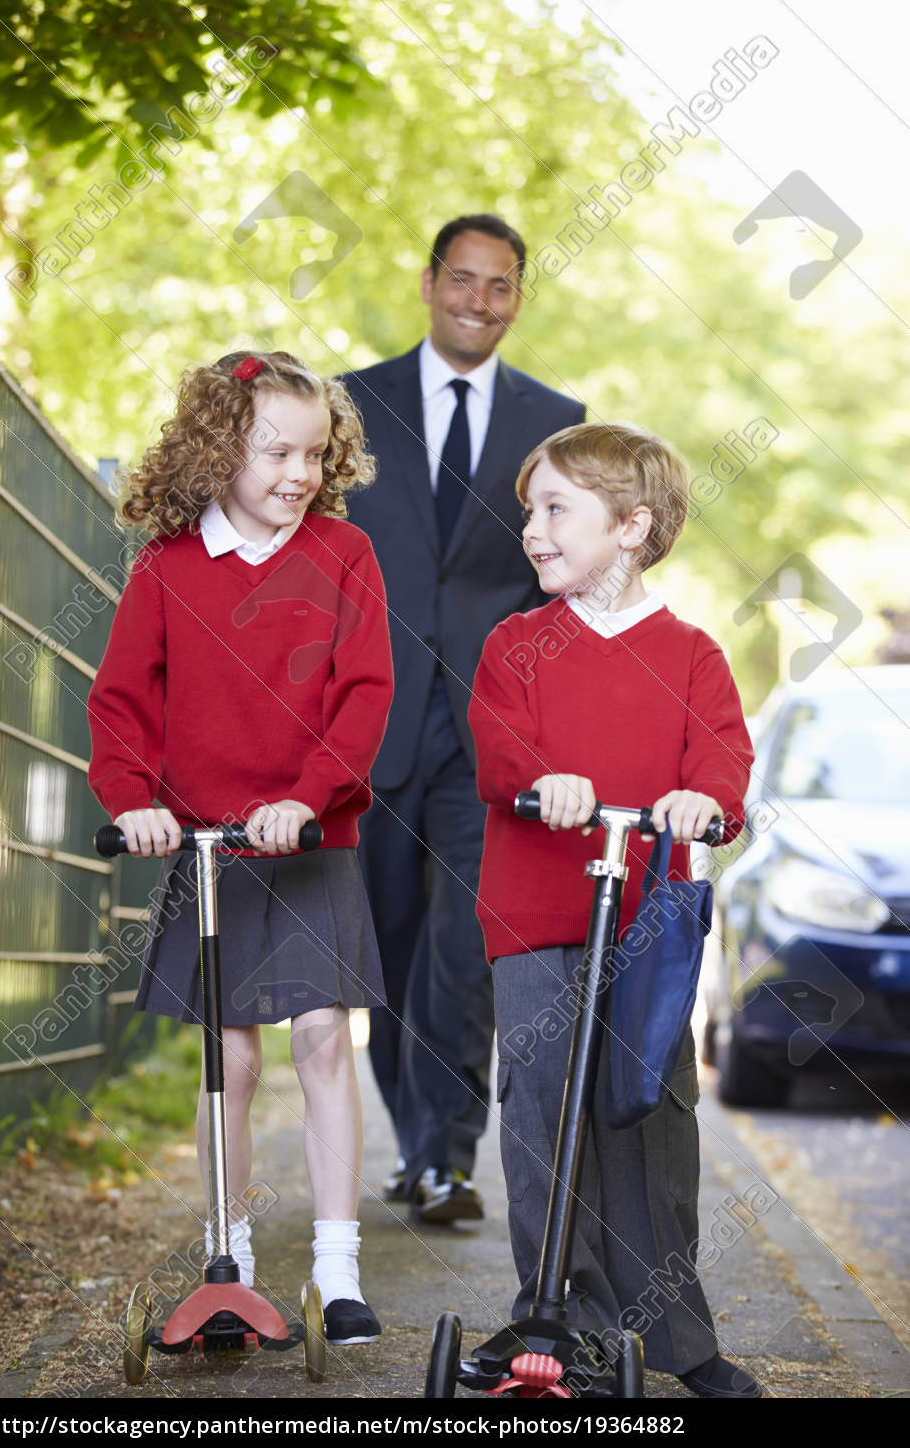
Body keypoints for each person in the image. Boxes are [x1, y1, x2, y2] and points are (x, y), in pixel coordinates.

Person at [87, 351, 394, 1346]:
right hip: (212, 850)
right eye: (276, 452)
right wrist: (134, 800)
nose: (299, 474)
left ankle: (339, 1270)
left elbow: (362, 693)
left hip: (307, 841)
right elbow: (124, 700)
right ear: (220, 449)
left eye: (315, 453)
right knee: (229, 1059)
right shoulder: (169, 566)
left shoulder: (345, 555)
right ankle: (232, 1261)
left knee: (318, 1042)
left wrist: (308, 797)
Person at [468, 422, 760, 1397]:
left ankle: (674, 1336)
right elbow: (501, 745)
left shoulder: (690, 655)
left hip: (648, 927)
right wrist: (542, 779)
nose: (532, 529)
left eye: (556, 509)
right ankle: (559, 1323)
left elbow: (723, 759)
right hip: (535, 916)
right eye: (528, 510)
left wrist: (701, 799)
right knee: (542, 1110)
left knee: (650, 1115)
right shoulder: (517, 645)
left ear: (631, 526)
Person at [343, 214, 586, 1222]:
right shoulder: (353, 401)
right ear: (430, 280)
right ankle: (413, 1139)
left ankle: (450, 1155)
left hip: (489, 723)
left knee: (463, 941)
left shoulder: (556, 415)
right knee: (389, 941)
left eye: (500, 286)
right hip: (373, 713)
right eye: (463, 280)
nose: (479, 302)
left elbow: (557, 572)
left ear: (518, 297)